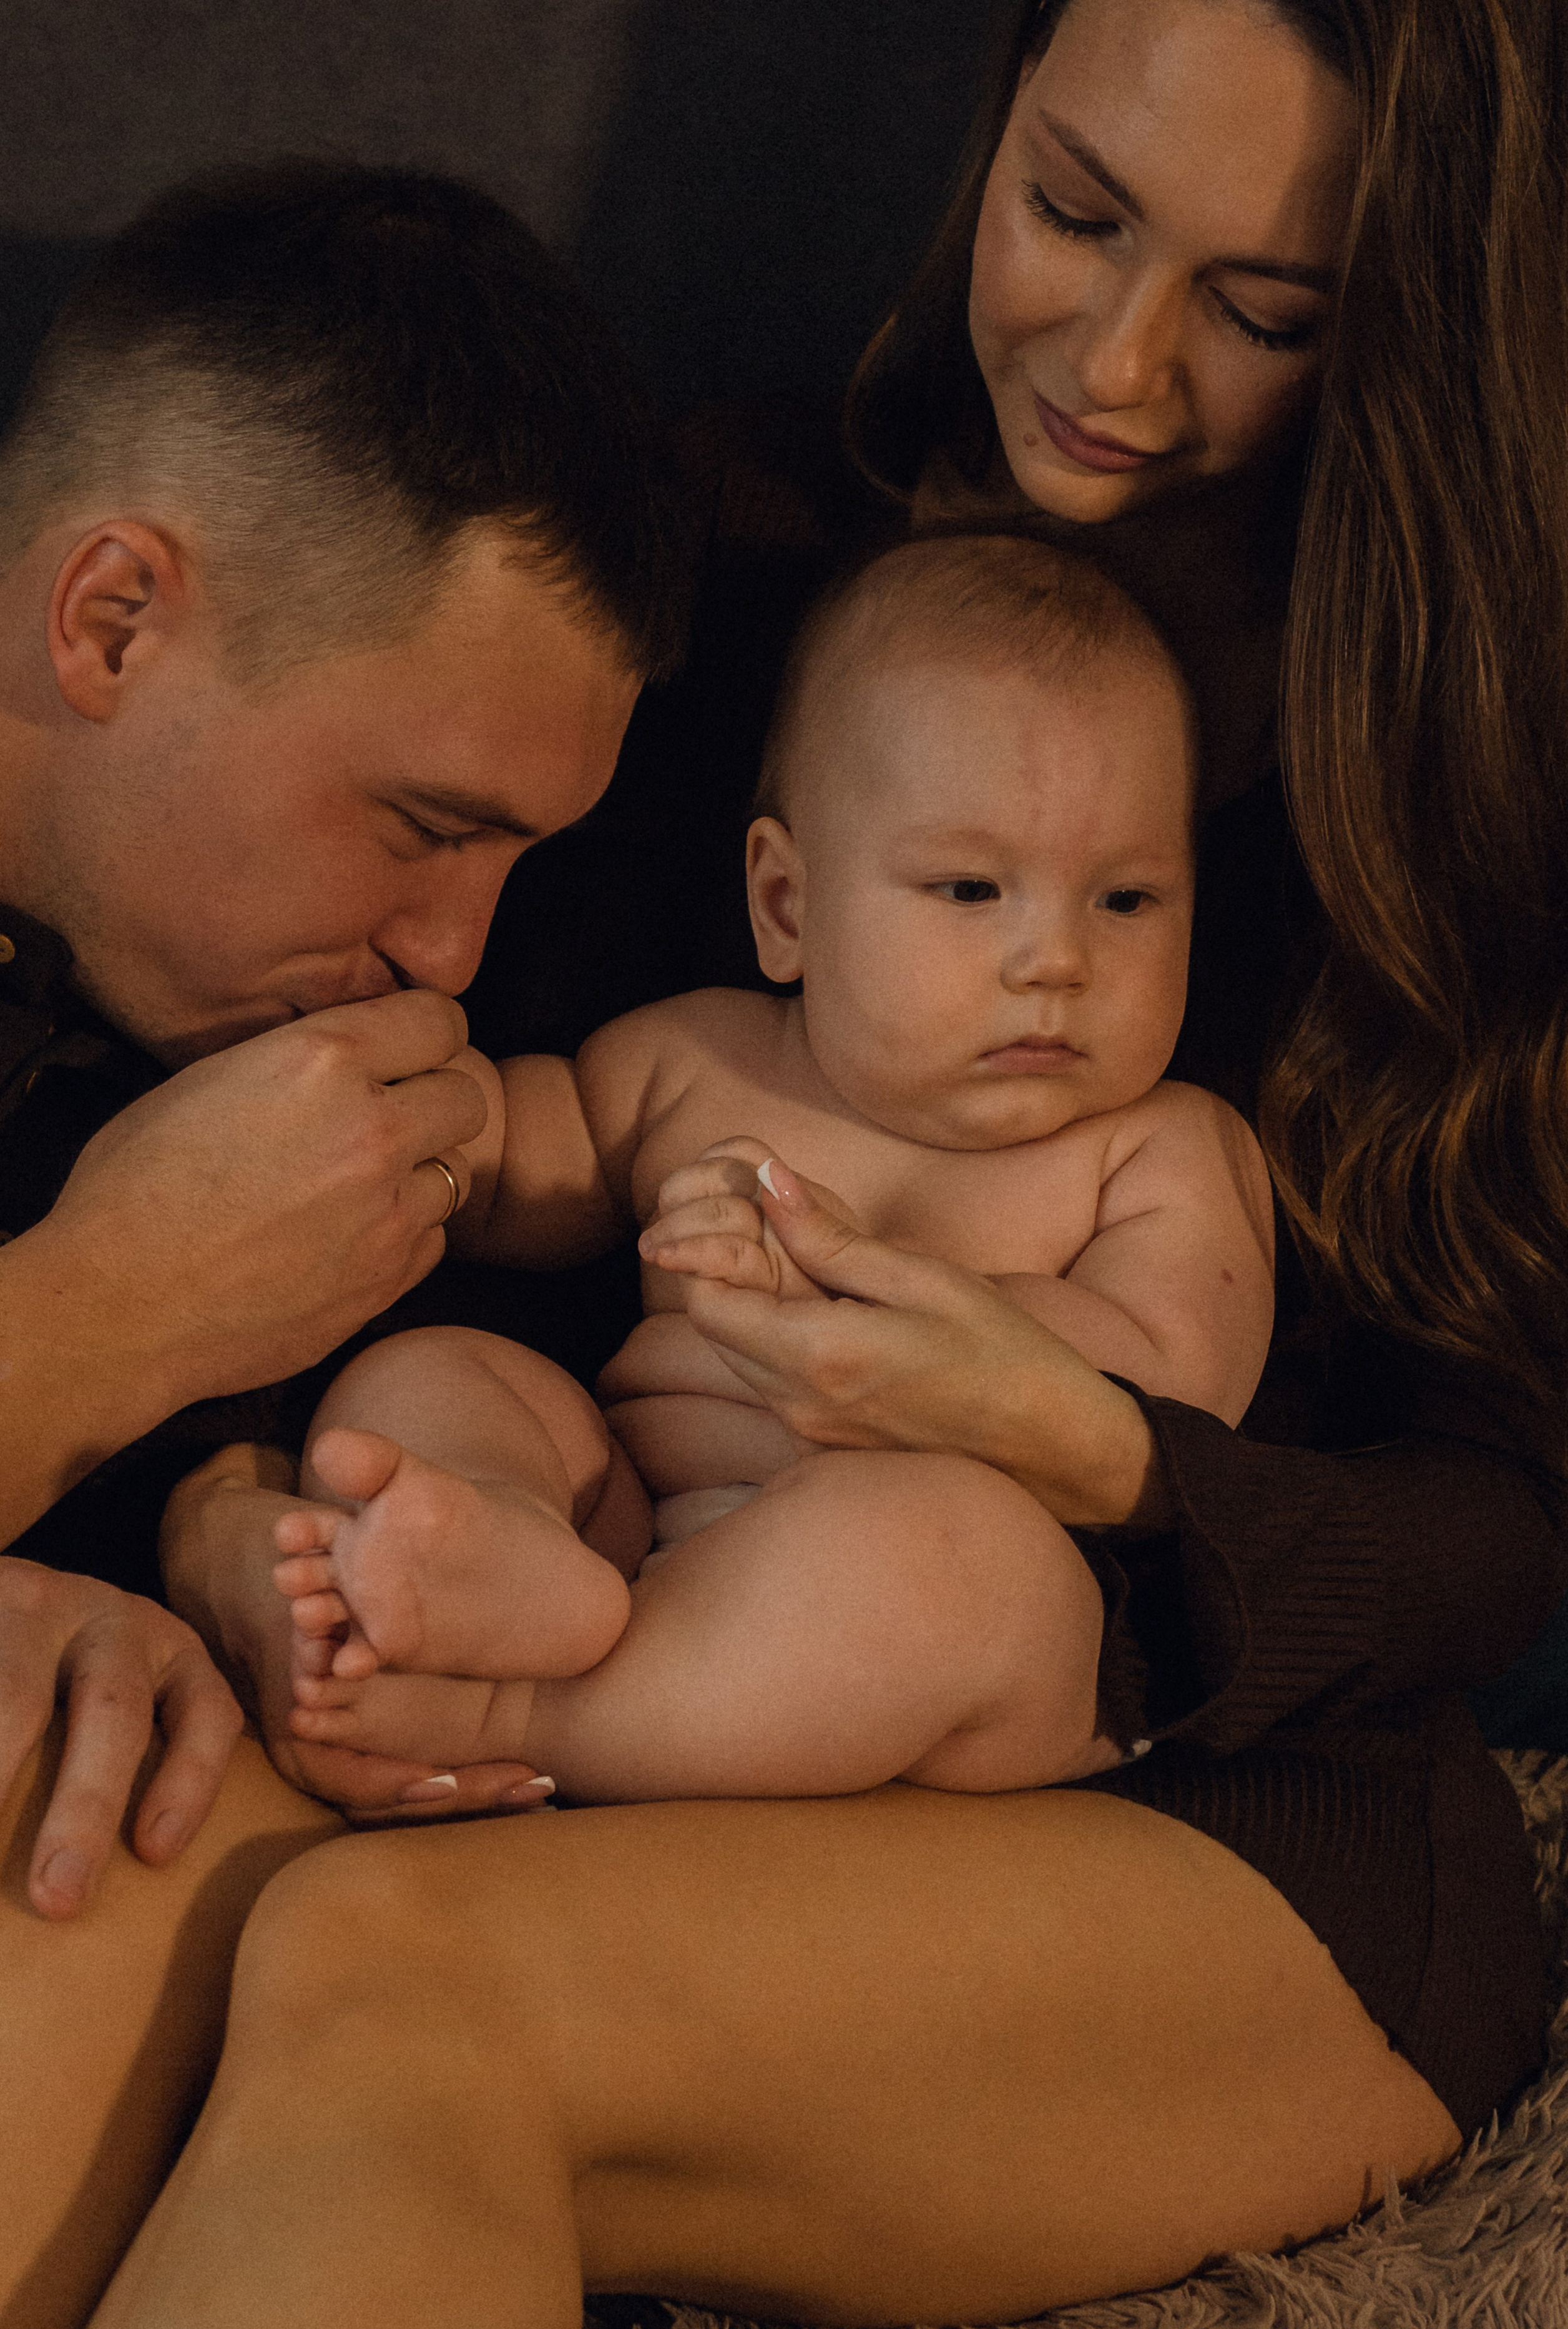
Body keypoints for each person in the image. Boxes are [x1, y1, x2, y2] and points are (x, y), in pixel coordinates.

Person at [16, 0, 1568, 2329]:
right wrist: (233, 1512)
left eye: (1268, 310)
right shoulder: (712, 567)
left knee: (402, 1968)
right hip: (624, 1591)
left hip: (1221, 1801)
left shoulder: (1453, 783)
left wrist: (1086, 1442)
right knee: (149, 1868)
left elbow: (1492, 1539)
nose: (1128, 364)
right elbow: (337, 1130)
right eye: (1071, 211)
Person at [0, 158, 688, 2329]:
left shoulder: (291, 1022)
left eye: (520, 855)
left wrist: (216, 1520)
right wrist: (107, 1309)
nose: (454, 955)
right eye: (423, 824)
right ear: (109, 619)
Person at [267, 533, 1275, 1805]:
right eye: (971, 888)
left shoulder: (1160, 1145)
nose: (1054, 961)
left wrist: (869, 1294)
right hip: (646, 1532)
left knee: (949, 1563)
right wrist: (410, 1121)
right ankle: (502, 1550)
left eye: (1126, 900)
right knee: (431, 1374)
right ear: (787, 906)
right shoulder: (698, 1057)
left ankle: (521, 1714)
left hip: (943, 1625)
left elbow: (1180, 1391)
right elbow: (527, 1152)